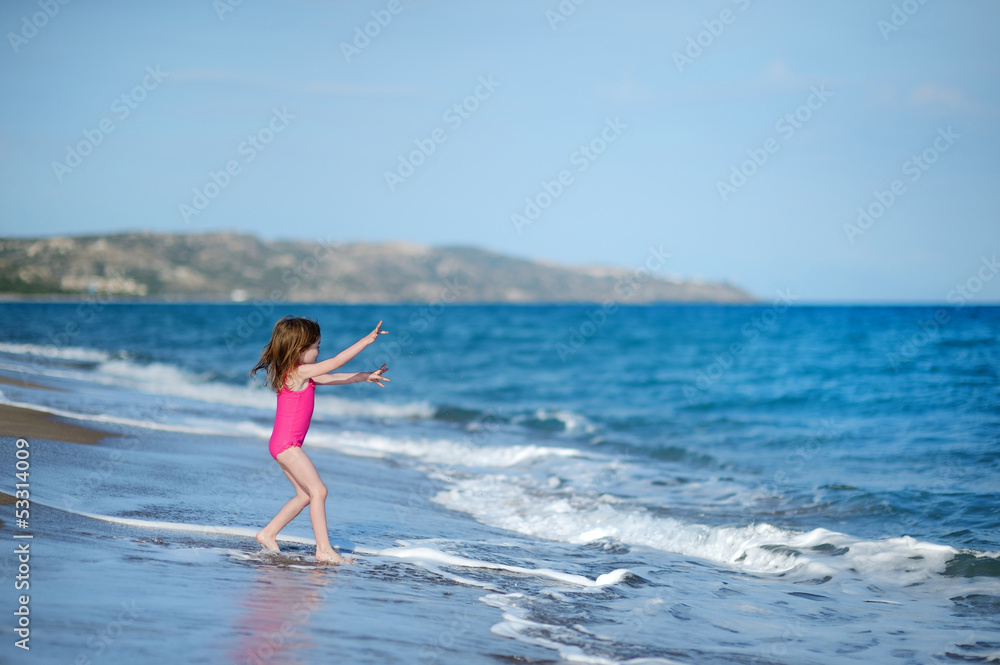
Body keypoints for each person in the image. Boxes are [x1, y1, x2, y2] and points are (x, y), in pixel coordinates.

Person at [249, 316, 389, 563]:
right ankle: (323, 550)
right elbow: (334, 363)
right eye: (315, 347)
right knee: (319, 491)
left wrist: (365, 376)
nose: (319, 351)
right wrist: (366, 341)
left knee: (305, 496)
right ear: (299, 349)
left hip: (281, 444)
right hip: (287, 446)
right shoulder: (300, 372)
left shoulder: (297, 373)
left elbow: (333, 377)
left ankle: (268, 534)